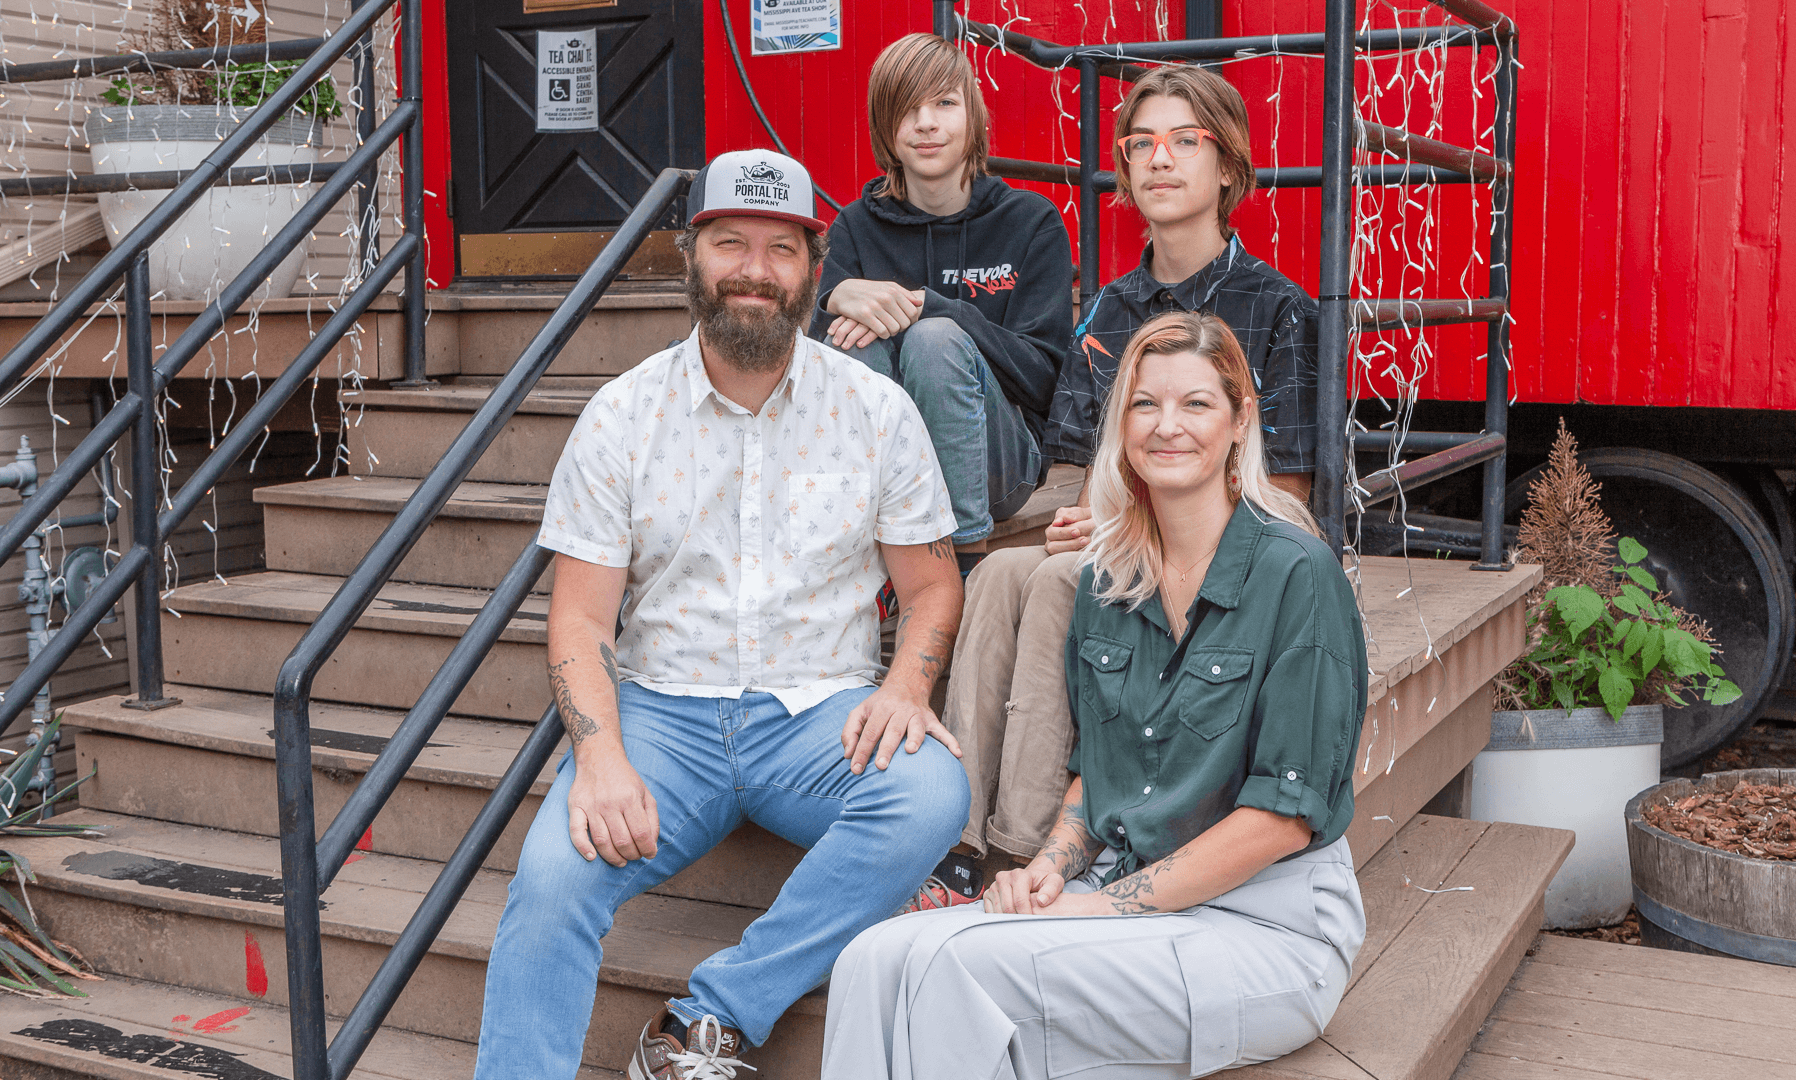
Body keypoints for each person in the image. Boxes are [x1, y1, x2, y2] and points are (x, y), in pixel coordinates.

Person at [472, 149, 972, 1080]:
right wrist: (601, 757)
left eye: (781, 249)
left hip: (821, 719)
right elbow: (580, 621)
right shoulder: (621, 417)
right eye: (731, 243)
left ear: (813, 271)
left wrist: (908, 684)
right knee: (548, 881)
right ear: (691, 258)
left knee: (931, 795)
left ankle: (713, 1014)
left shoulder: (878, 410)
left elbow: (934, 584)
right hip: (665, 718)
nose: (755, 268)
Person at [822, 311, 1367, 1079]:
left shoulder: (1297, 575)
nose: (1166, 426)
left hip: (1264, 924)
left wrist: (1101, 904)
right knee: (874, 960)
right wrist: (1051, 863)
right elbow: (1097, 769)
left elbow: (1279, 822)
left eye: (1196, 404)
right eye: (1145, 405)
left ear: (1241, 420)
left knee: (954, 972)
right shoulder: (1110, 580)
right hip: (1131, 903)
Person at [941, 63, 1323, 884]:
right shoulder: (1109, 309)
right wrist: (1083, 524)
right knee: (1003, 572)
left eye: (1186, 141)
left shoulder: (1279, 307)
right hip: (1132, 537)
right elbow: (1094, 483)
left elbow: (1286, 497)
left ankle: (1024, 843)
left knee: (1054, 586)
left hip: (1225, 561)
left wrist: (1120, 537)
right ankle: (952, 837)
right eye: (1142, 143)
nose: (1160, 158)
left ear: (1228, 167)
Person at [812, 32, 1073, 551]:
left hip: (1000, 460)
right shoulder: (854, 228)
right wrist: (832, 300)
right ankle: (860, 550)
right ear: (885, 125)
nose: (926, 123)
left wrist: (933, 308)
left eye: (945, 104)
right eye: (907, 109)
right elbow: (826, 383)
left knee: (934, 340)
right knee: (854, 346)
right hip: (889, 472)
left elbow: (1047, 381)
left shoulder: (1030, 222)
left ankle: (960, 559)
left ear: (973, 118)